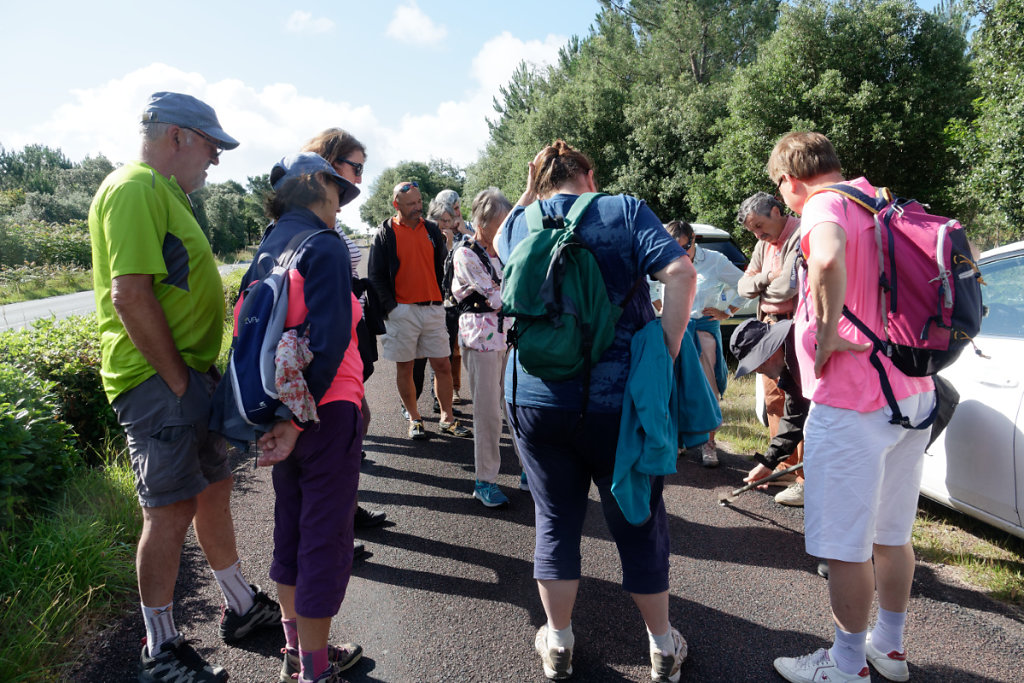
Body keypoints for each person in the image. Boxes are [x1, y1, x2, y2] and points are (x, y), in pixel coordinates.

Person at [88, 92, 279, 683]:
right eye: (212, 146)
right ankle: (159, 650)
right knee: (168, 510)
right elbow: (131, 294)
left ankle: (241, 605)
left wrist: (196, 376)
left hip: (188, 376)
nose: (216, 160)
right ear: (176, 137)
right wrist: (176, 380)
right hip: (157, 381)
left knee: (213, 489)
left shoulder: (169, 194)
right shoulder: (135, 187)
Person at [497, 141, 696, 682]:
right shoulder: (625, 210)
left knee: (556, 519)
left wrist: (528, 185)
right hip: (619, 399)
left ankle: (558, 641)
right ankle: (661, 647)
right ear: (590, 174)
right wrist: (668, 349)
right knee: (637, 517)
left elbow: (498, 246)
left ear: (540, 177)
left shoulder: (521, 221)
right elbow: (680, 272)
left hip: (535, 396)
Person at [768, 131, 935, 683]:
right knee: (892, 534)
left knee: (845, 545)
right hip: (910, 393)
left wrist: (831, 329)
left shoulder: (823, 203)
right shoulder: (881, 200)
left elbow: (828, 259)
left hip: (853, 400)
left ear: (792, 180)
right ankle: (888, 646)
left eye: (781, 189)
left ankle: (845, 665)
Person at [247, 152, 366, 683]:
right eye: (339, 190)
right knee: (325, 537)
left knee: (291, 529)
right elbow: (333, 335)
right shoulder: (324, 245)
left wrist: (280, 420)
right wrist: (299, 420)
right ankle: (315, 671)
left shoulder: (270, 246)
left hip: (275, 407)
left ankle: (295, 651)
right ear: (319, 184)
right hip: (325, 408)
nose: (341, 202)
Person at [300, 129, 387, 538]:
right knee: (341, 429)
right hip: (329, 347)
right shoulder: (310, 224)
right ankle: (335, 528)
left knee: (356, 423)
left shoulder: (328, 220)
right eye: (356, 167)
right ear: (328, 164)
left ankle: (344, 514)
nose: (359, 177)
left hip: (347, 337)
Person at [367, 181, 471, 440]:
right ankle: (414, 419)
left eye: (419, 203)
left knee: (443, 366)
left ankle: (447, 418)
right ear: (396, 205)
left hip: (434, 309)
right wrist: (391, 308)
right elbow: (375, 276)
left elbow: (444, 266)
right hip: (402, 312)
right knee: (405, 368)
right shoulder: (385, 233)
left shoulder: (432, 230)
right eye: (411, 204)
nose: (417, 208)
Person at [736, 192, 805, 506]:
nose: (758, 235)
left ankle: (805, 479)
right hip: (767, 324)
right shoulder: (763, 244)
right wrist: (766, 277)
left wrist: (762, 283)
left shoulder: (802, 234)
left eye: (761, 226)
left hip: (792, 326)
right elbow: (743, 285)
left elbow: (787, 287)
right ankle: (782, 466)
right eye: (753, 231)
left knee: (799, 398)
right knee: (776, 401)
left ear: (778, 211)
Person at [451, 188, 514, 508]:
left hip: (509, 338)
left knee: (517, 406)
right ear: (483, 222)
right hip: (482, 341)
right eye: (501, 223)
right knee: (488, 413)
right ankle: (485, 480)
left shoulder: (503, 251)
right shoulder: (466, 254)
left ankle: (528, 470)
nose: (506, 229)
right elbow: (497, 297)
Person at [671, 219, 746, 467]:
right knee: (674, 386)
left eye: (684, 247)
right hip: (672, 329)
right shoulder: (664, 258)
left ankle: (708, 445)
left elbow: (744, 285)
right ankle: (678, 441)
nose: (680, 253)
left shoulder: (715, 261)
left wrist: (728, 310)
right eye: (674, 248)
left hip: (703, 329)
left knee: (707, 387)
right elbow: (651, 287)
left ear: (693, 239)